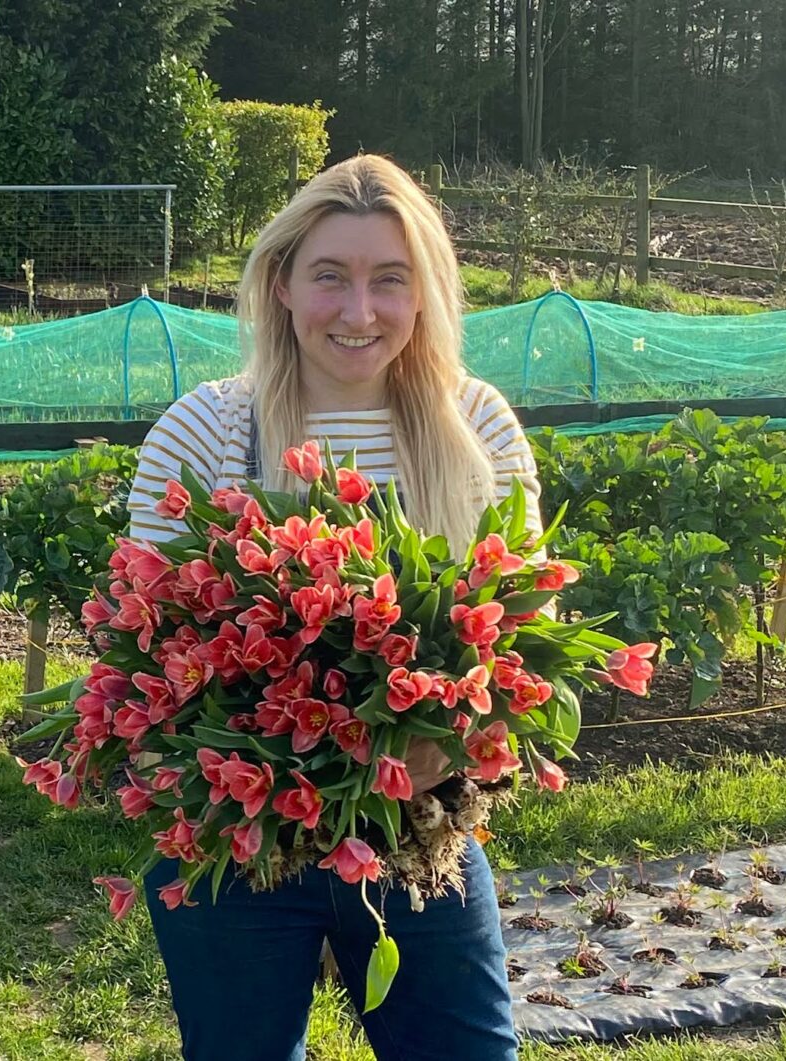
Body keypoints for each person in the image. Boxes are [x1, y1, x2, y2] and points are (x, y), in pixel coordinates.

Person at [123, 153, 538, 1060]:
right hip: (233, 836)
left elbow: (522, 638)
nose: (359, 312)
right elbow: (143, 644)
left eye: (390, 278)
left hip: (416, 828)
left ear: (424, 292)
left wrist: (448, 741)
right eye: (329, 277)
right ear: (280, 283)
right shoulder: (205, 428)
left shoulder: (476, 426)